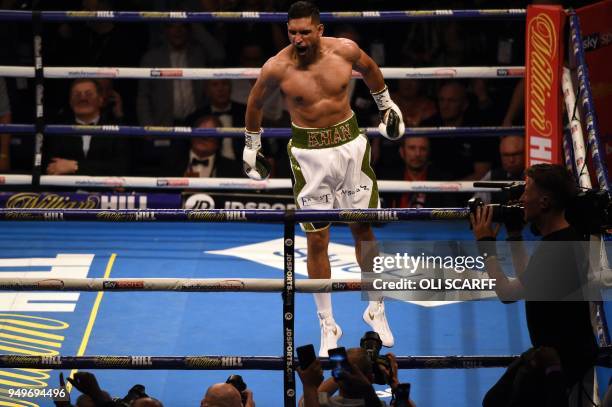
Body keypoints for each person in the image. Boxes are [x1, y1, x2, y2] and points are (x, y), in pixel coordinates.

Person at [243, 1, 404, 356]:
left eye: (304, 31)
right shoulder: (277, 66)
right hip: (308, 155)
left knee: (363, 228)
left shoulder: (344, 50)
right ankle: (327, 323)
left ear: (319, 29)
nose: (298, 39)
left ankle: (376, 306)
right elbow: (254, 103)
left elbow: (371, 68)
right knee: (317, 240)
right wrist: (252, 145)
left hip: (350, 148)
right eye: (292, 32)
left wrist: (386, 106)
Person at [471, 164, 597, 406]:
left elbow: (507, 294)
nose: (521, 199)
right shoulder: (562, 239)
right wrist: (515, 234)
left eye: (526, 192)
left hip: (560, 361)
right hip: (552, 353)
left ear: (544, 202)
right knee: (495, 400)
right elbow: (530, 280)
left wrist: (485, 244)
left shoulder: (557, 251)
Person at [43, 79, 130, 176]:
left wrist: (75, 166)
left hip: (102, 191)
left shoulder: (116, 130)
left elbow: (119, 170)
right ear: (70, 101)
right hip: (67, 191)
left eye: (88, 94)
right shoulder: (57, 130)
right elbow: (52, 169)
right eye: (77, 95)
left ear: (100, 100)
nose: (82, 98)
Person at [379, 136, 455, 208]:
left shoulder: (442, 179)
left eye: (423, 149)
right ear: (402, 152)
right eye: (412, 148)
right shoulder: (388, 178)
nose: (417, 154)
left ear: (429, 153)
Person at [164, 114, 242, 178]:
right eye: (199, 132)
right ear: (191, 136)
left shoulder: (232, 169)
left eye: (209, 134)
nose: (203, 137)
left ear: (218, 142)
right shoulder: (170, 162)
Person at [474, 134, 525, 204]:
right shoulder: (492, 176)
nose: (511, 160)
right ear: (500, 156)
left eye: (516, 154)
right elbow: (476, 204)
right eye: (506, 155)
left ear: (525, 153)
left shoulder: (534, 177)